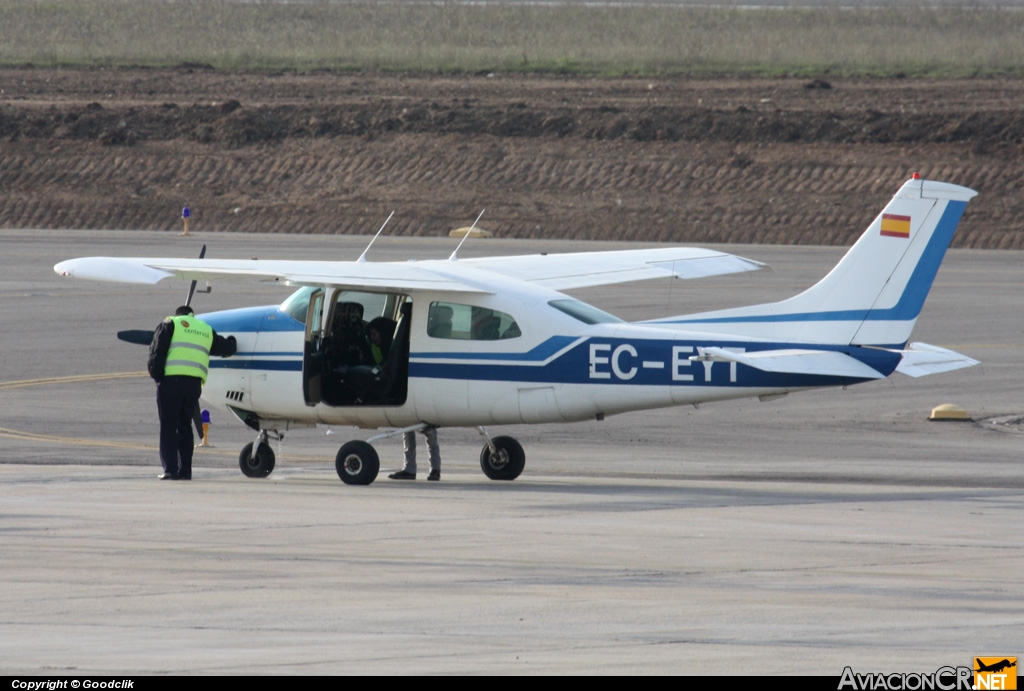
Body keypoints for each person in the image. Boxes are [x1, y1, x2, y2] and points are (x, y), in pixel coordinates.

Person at [148, 305, 235, 480]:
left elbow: (157, 352)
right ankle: (185, 471)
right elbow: (225, 348)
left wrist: (157, 377)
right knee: (185, 427)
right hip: (193, 385)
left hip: (171, 382)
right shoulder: (205, 329)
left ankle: (170, 470)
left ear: (178, 314)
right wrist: (233, 341)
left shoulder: (171, 323)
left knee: (168, 427)